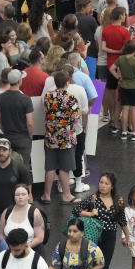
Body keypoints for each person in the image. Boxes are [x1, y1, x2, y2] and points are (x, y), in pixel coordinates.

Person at [73, 173, 130, 269]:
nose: (102, 186)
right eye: (101, 182)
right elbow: (76, 209)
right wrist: (89, 214)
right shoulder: (93, 198)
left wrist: (127, 236)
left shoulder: (118, 201)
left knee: (104, 265)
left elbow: (122, 219)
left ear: (112, 186)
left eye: (106, 183)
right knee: (91, 264)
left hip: (110, 236)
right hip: (93, 235)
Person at [41, 71, 82, 203]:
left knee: (50, 166)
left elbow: (46, 111)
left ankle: (46, 195)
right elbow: (76, 118)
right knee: (64, 167)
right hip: (66, 138)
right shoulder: (71, 98)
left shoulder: (48, 96)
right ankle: (67, 195)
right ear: (67, 83)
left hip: (50, 136)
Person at [0, 138, 32, 222]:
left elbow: (28, 194)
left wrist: (29, 216)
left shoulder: (20, 169)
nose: (1, 153)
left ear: (10, 151)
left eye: (4, 150)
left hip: (16, 216)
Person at [0, 69, 35, 169]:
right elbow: (29, 122)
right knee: (23, 167)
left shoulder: (1, 97)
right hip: (23, 138)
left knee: (7, 166)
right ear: (19, 81)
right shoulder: (25, 99)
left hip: (7, 137)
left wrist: (4, 129)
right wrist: (30, 135)